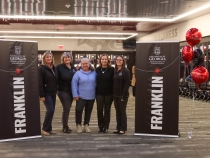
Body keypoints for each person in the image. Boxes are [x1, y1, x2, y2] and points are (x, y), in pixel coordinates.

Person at [71, 58, 96, 134]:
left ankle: (86, 125)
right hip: (81, 96)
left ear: (89, 64)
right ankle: (78, 125)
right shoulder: (78, 73)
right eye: (83, 64)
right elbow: (74, 84)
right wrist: (75, 94)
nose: (85, 65)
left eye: (86, 63)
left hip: (91, 96)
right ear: (81, 65)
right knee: (79, 111)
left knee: (88, 111)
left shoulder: (94, 73)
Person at [38, 51, 58, 136]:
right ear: (44, 59)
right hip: (46, 93)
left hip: (53, 92)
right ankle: (45, 129)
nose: (49, 58)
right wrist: (41, 95)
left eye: (50, 57)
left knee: (52, 111)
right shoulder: (41, 68)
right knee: (50, 110)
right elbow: (39, 82)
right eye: (47, 57)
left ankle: (49, 128)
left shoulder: (54, 67)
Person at [56, 52, 76, 134]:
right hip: (62, 91)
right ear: (63, 59)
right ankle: (65, 126)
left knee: (68, 108)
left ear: (71, 59)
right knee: (66, 108)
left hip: (71, 91)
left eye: (68, 58)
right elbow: (55, 78)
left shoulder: (73, 68)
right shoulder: (59, 67)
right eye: (65, 58)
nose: (67, 59)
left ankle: (66, 125)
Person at [96, 54, 114, 133]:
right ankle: (100, 126)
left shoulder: (112, 69)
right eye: (102, 59)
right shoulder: (97, 69)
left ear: (108, 60)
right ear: (100, 61)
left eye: (105, 59)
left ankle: (106, 127)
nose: (104, 61)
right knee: (99, 110)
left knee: (107, 110)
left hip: (109, 93)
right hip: (99, 93)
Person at [113, 55, 130, 134]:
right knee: (117, 111)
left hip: (123, 95)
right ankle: (118, 127)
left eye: (120, 60)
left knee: (122, 111)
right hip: (115, 95)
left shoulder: (125, 71)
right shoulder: (115, 70)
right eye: (117, 60)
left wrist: (123, 95)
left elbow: (127, 84)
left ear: (123, 61)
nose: (118, 61)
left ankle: (123, 128)